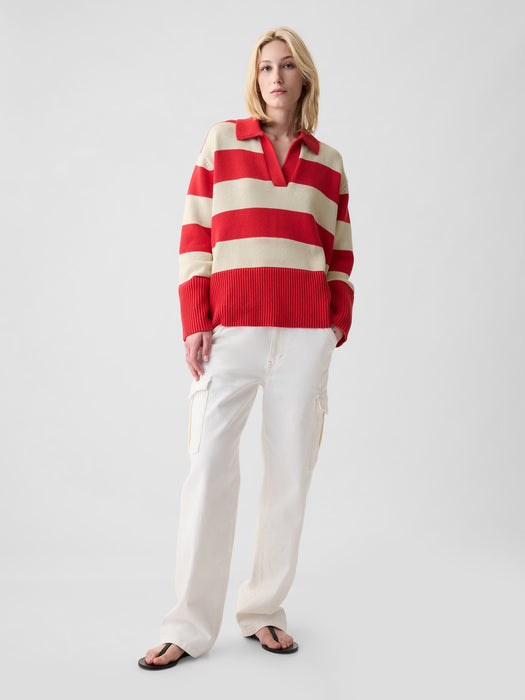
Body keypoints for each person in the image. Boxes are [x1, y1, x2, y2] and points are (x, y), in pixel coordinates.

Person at [138, 26, 354, 670]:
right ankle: (188, 624)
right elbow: (195, 232)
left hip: (304, 336)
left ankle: (263, 610)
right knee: (209, 469)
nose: (276, 78)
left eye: (287, 66)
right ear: (255, 78)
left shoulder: (329, 162)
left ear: (304, 76)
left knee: (290, 476)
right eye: (265, 68)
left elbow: (340, 252)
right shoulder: (223, 141)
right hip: (231, 331)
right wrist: (194, 320)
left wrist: (334, 324)